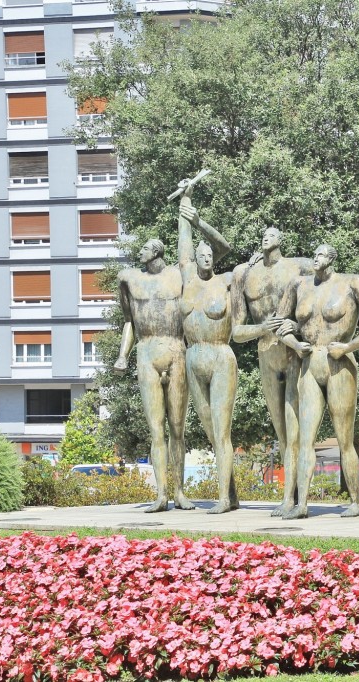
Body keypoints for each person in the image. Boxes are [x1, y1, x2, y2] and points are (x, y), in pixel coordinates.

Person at [276, 244, 359, 519]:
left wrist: (349, 347)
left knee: (344, 439)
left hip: (339, 363)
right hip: (309, 362)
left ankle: (354, 501)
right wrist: (293, 341)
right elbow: (278, 324)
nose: (315, 258)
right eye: (313, 253)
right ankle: (301, 504)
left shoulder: (352, 282)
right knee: (305, 438)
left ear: (332, 258)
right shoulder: (298, 285)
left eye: (321, 254)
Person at [230, 227, 313, 517]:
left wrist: (299, 328)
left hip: (293, 352)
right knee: (281, 431)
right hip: (266, 352)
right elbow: (236, 331)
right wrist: (262, 328)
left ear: (282, 239)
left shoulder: (299, 266)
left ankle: (294, 499)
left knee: (295, 429)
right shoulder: (244, 274)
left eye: (273, 234)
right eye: (263, 234)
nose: (266, 236)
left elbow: (321, 299)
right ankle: (291, 495)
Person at [175, 178, 242, 514]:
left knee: (222, 426)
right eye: (198, 254)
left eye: (207, 254)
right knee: (209, 429)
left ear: (212, 258)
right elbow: (183, 234)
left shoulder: (225, 281)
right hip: (192, 356)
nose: (203, 257)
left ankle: (222, 499)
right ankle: (230, 492)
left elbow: (224, 243)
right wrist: (186, 197)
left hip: (219, 355)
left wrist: (201, 222)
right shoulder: (186, 275)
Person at [114, 237, 193, 513]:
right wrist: (122, 355)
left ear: (157, 251)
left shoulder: (179, 275)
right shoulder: (129, 279)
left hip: (176, 350)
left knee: (178, 428)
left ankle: (180, 492)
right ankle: (161, 494)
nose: (141, 252)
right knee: (156, 428)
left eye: (145, 248)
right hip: (146, 351)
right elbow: (129, 322)